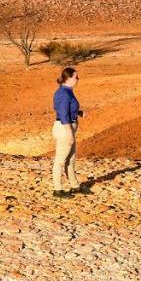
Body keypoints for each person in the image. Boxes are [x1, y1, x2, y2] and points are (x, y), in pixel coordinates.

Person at [50, 67, 85, 197]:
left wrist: (78, 113)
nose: (78, 79)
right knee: (60, 160)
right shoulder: (64, 93)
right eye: (76, 77)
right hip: (65, 129)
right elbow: (63, 114)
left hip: (67, 127)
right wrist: (69, 133)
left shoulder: (65, 91)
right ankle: (57, 189)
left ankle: (75, 186)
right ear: (69, 78)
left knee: (71, 158)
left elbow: (61, 108)